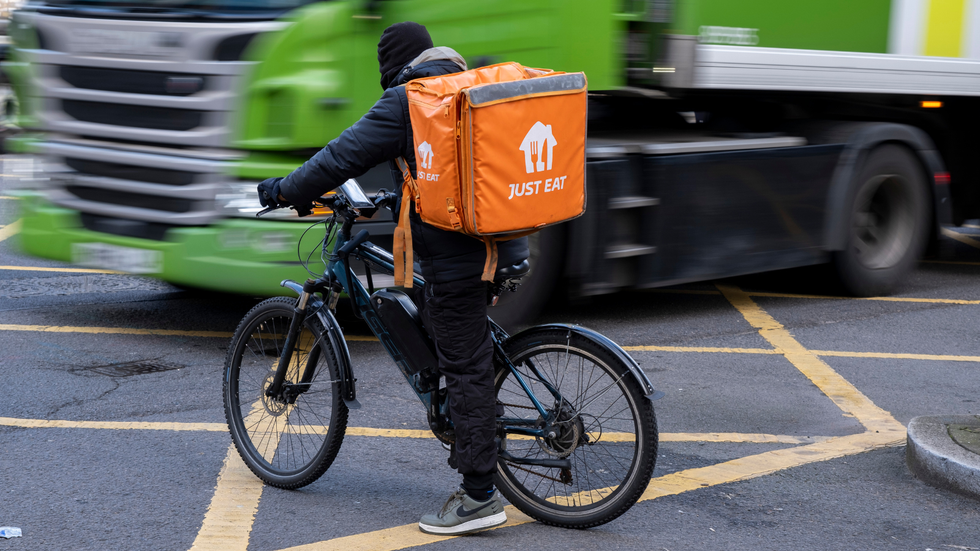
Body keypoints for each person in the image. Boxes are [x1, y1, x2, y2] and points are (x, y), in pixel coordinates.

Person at [256, 22, 529, 536]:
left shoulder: (410, 101)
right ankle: (472, 418)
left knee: (465, 366)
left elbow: (339, 156)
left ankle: (479, 497)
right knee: (445, 331)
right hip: (507, 245)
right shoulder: (468, 89)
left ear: (393, 67)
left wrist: (283, 189)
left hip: (461, 263)